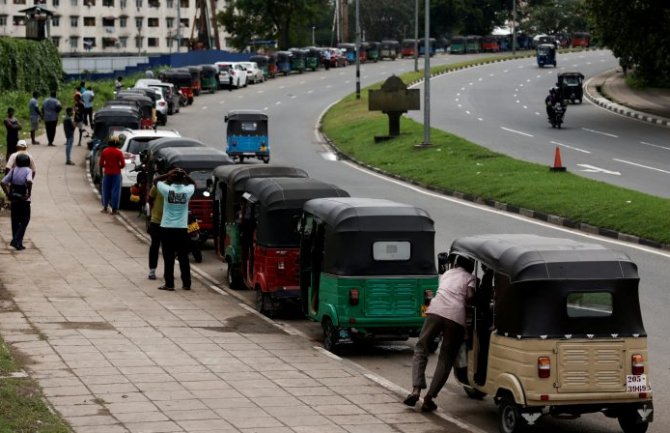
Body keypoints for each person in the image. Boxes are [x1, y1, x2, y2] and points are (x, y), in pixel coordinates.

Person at [404, 256, 476, 412]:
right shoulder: (470, 277)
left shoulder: (448, 273)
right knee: (446, 357)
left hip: (436, 311)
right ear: (471, 267)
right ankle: (429, 398)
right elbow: (470, 296)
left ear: (456, 264)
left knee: (421, 348)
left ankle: (416, 390)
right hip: (455, 317)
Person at [155, 168, 195, 291]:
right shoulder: (187, 191)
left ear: (171, 178)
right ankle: (187, 283)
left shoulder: (167, 190)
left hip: (167, 227)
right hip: (182, 228)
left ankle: (169, 284)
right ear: (183, 179)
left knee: (168, 258)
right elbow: (193, 184)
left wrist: (168, 174)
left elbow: (155, 180)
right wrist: (186, 175)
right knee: (184, 257)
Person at [1, 153, 33, 250]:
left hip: (14, 198)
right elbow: (29, 181)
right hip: (24, 199)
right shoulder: (28, 170)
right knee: (25, 219)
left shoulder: (13, 170)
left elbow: (2, 182)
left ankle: (18, 243)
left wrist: (7, 193)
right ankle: (16, 240)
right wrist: (29, 192)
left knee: (15, 220)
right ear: (27, 162)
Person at [99, 136, 125, 214]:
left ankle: (105, 207)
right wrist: (118, 167)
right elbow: (123, 164)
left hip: (107, 173)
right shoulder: (119, 152)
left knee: (105, 190)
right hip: (116, 173)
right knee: (115, 191)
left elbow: (101, 163)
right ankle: (114, 209)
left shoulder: (105, 151)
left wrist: (106, 166)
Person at [146, 183, 164, 280]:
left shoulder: (179, 186)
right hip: (156, 221)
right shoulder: (158, 186)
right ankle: (152, 270)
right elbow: (150, 199)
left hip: (170, 223)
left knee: (169, 248)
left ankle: (168, 271)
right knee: (154, 246)